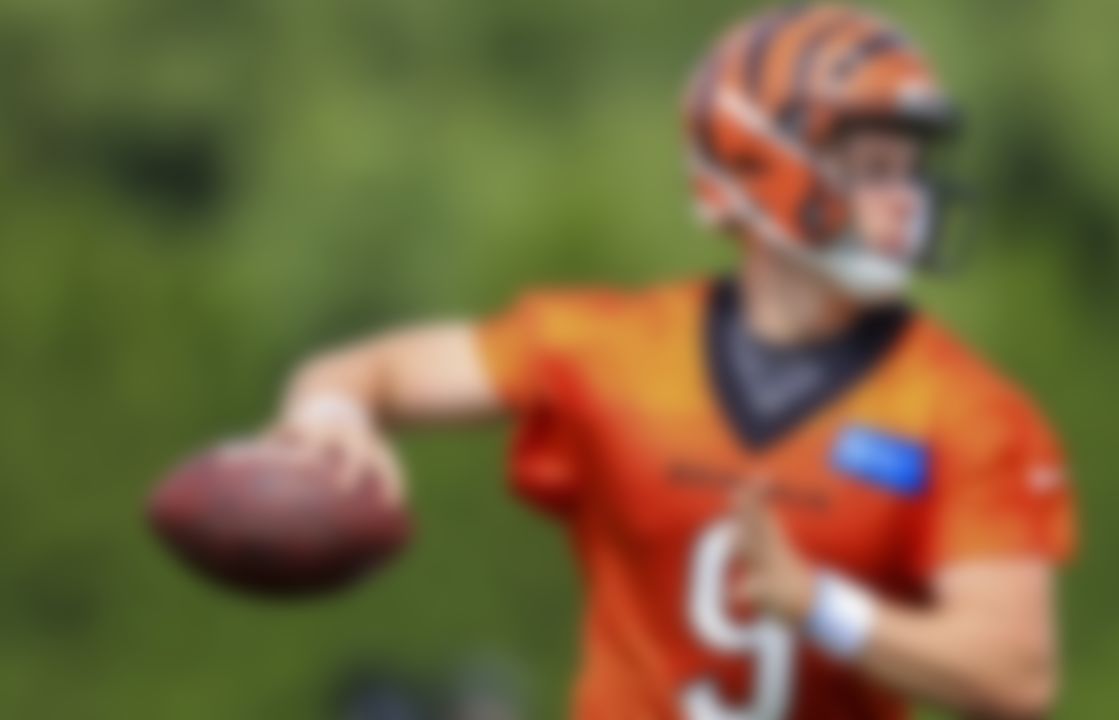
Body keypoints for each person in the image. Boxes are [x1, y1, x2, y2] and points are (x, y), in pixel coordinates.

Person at [271, 5, 1076, 719]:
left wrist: (820, 606)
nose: (906, 200)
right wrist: (331, 415)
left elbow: (1016, 675)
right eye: (870, 170)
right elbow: (370, 370)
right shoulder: (613, 351)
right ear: (760, 167)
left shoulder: (965, 410)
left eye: (908, 171)